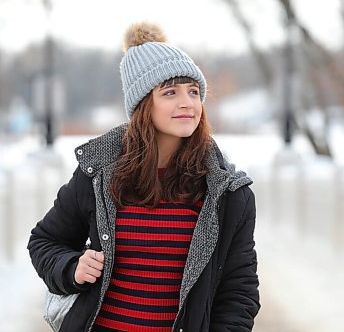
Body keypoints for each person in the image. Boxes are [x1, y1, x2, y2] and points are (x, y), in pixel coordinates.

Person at [28, 21, 260, 332]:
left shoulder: (226, 192)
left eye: (194, 92)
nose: (187, 103)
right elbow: (45, 241)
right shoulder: (98, 174)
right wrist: (71, 268)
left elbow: (239, 291)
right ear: (143, 105)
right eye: (170, 92)